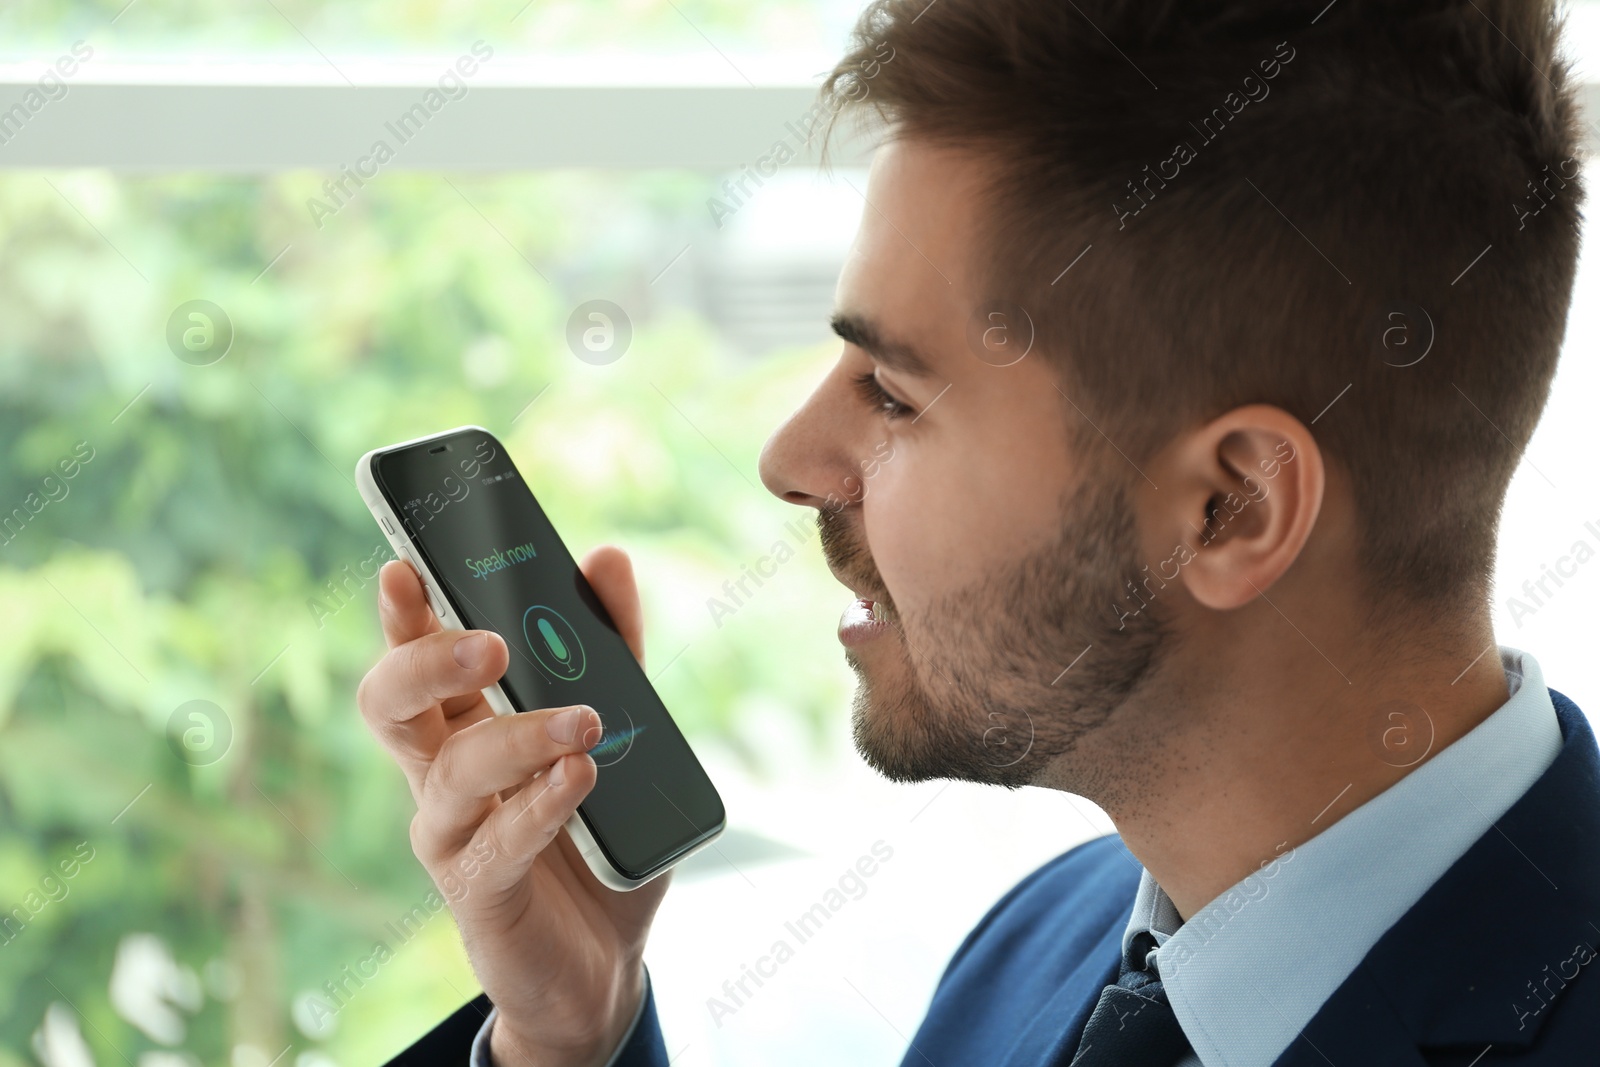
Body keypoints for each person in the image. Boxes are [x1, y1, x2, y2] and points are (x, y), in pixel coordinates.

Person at [356, 0, 1600, 1063]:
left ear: (1232, 509)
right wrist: (573, 1031)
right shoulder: (1043, 948)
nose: (788, 462)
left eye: (893, 392)